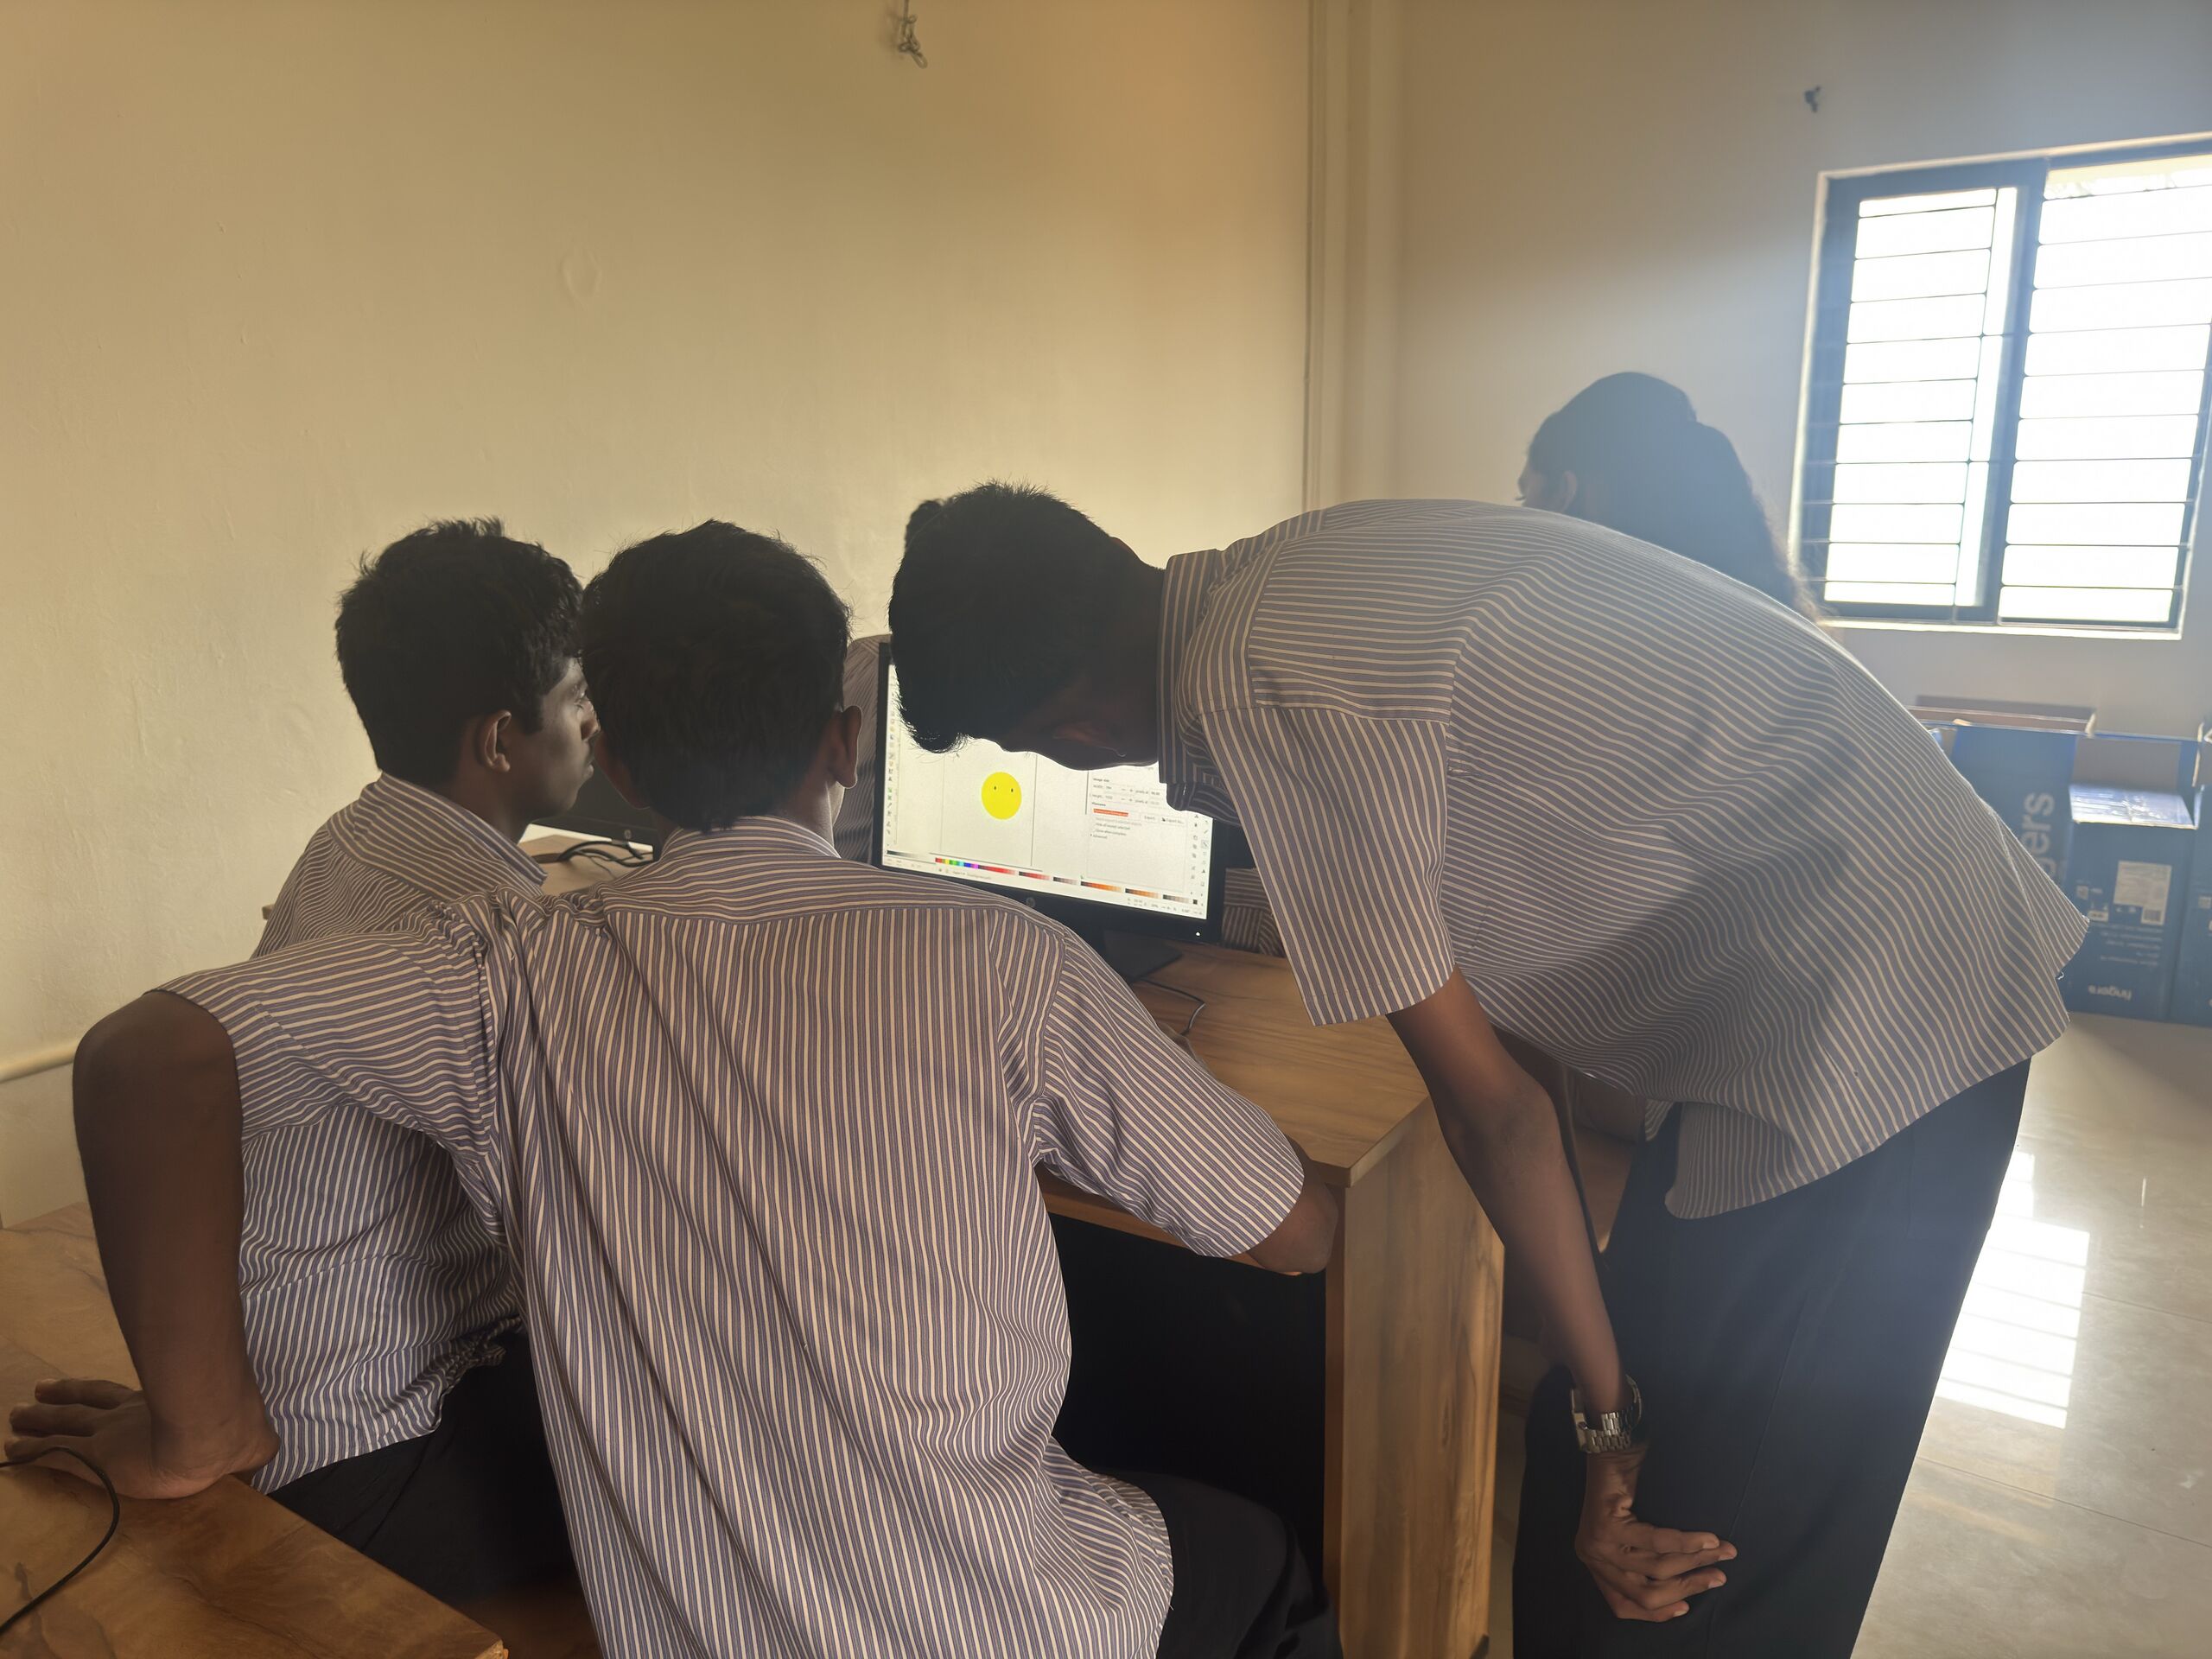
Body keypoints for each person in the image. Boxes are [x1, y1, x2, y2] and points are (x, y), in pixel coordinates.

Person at [11, 523, 1344, 1659]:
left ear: (620, 765)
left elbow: (147, 1051)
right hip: (998, 1616)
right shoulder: (1010, 962)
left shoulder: (502, 972)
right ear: (845, 742)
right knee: (1264, 1550)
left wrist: (194, 1428)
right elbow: (1294, 1232)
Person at [885, 485, 2088, 1657]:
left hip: (1885, 1001)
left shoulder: (1257, 694)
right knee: (1591, 1448)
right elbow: (1499, 1009)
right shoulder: (1285, 577)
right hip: (1826, 954)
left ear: (1070, 736)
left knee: (1685, 1563)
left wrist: (1613, 1423)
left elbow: (1494, 1115)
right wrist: (1594, 1391)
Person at [17, 521, 592, 1602]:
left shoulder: (357, 835)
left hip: (303, 1393)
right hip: (385, 1460)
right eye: (576, 700)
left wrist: (194, 1388)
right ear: (501, 739)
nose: (594, 725)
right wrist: (199, 1428)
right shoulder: (483, 929)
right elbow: (145, 1059)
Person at [1518, 372, 1813, 613]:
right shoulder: (1782, 630)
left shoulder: (1537, 622)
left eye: (1523, 496)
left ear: (1565, 493)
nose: (1518, 513)